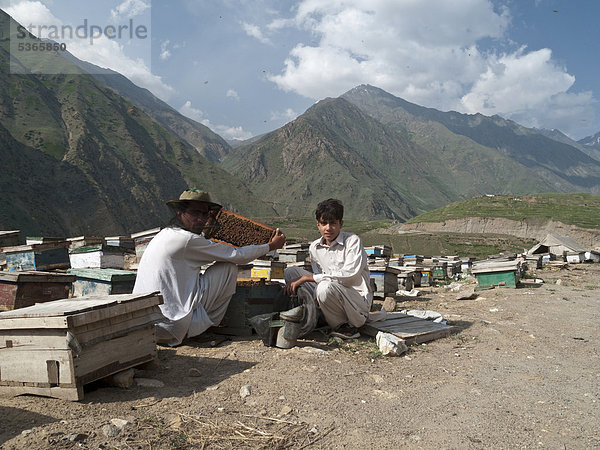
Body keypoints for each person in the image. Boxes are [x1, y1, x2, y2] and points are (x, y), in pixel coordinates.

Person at [133, 189, 286, 346]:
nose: (201, 219)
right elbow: (237, 255)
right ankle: (199, 328)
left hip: (147, 326)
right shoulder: (187, 240)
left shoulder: (165, 234)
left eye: (205, 214)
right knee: (228, 267)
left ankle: (193, 325)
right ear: (180, 213)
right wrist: (271, 245)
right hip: (172, 325)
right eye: (194, 213)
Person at [284, 198, 373, 339]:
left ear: (341, 224)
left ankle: (345, 327)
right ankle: (313, 313)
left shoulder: (352, 242)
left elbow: (349, 277)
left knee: (324, 287)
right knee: (291, 272)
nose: (328, 228)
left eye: (333, 223)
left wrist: (307, 278)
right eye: (324, 223)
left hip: (355, 301)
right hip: (328, 292)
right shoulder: (315, 247)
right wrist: (315, 298)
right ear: (318, 224)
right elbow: (319, 275)